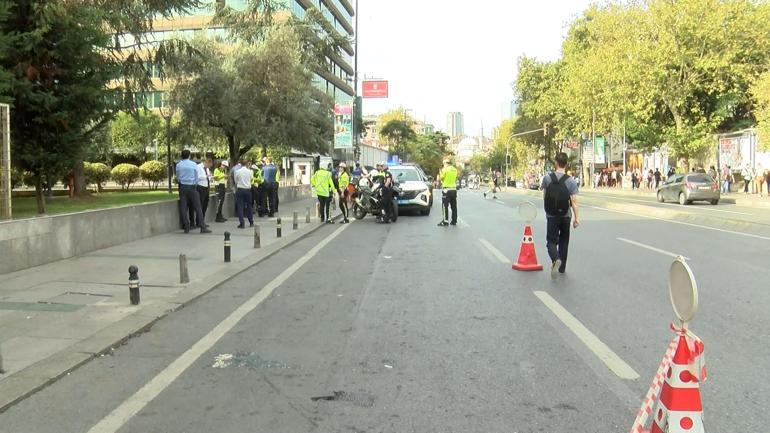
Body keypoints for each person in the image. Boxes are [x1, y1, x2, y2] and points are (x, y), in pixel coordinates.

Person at [541, 152, 579, 276]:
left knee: (551, 241)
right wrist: (576, 218)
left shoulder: (547, 178)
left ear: (556, 163)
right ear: (566, 164)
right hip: (565, 215)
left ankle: (555, 258)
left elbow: (544, 196)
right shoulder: (571, 181)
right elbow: (573, 201)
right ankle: (562, 267)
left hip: (552, 215)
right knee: (564, 240)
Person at [176, 150, 211, 234]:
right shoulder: (193, 164)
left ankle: (187, 226)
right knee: (198, 207)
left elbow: (177, 177)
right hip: (192, 187)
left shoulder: (178, 165)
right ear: (189, 156)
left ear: (181, 156)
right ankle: (202, 227)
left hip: (183, 187)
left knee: (183, 207)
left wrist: (181, 181)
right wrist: (194, 183)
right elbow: (196, 176)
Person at [437, 158, 458, 227]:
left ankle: (445, 221)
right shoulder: (455, 169)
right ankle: (454, 221)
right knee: (454, 206)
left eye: (443, 164)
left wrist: (440, 172)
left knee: (445, 206)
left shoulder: (445, 169)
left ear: (446, 163)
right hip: (454, 189)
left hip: (446, 190)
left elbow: (441, 178)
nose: (443, 165)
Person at [233, 159, 254, 228]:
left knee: (240, 206)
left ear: (240, 164)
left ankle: (242, 223)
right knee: (249, 206)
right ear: (247, 164)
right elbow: (251, 179)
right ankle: (251, 222)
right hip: (248, 190)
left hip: (240, 189)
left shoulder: (237, 171)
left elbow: (236, 181)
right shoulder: (250, 172)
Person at [195, 157, 213, 226]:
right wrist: (206, 176)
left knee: (205, 204)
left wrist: (210, 177)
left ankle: (202, 221)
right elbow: (197, 177)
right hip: (200, 187)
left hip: (206, 187)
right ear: (206, 162)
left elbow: (208, 177)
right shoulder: (198, 167)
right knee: (201, 204)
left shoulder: (207, 169)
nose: (209, 167)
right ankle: (198, 221)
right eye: (209, 165)